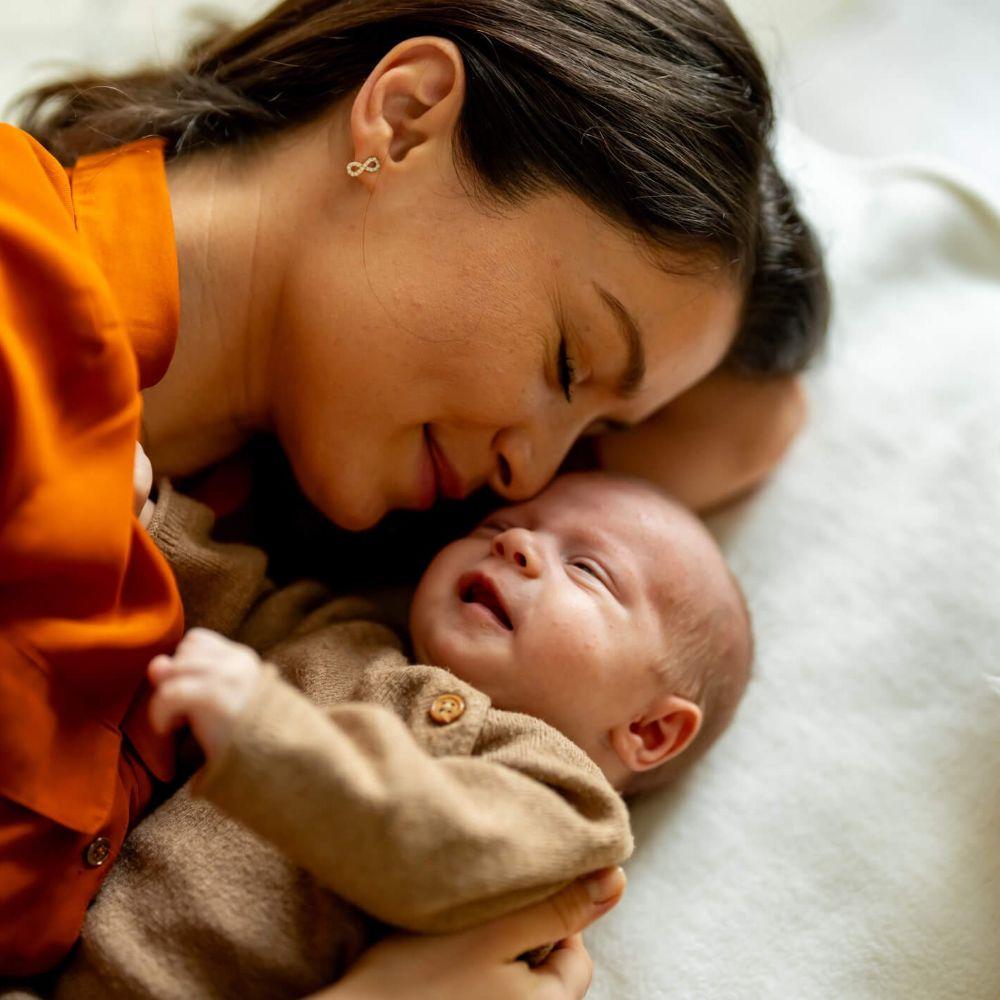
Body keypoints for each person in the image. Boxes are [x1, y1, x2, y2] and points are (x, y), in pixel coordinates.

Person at [0, 0, 829, 985]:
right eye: (568, 362)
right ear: (403, 116)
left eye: (598, 437)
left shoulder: (250, 562)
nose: (533, 481)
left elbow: (754, 421)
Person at [47, 471, 750, 998]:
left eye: (588, 569)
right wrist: (150, 517)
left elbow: (440, 848)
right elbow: (238, 594)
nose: (517, 542)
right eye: (499, 523)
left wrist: (265, 735)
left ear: (651, 730)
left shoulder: (565, 805)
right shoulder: (348, 637)